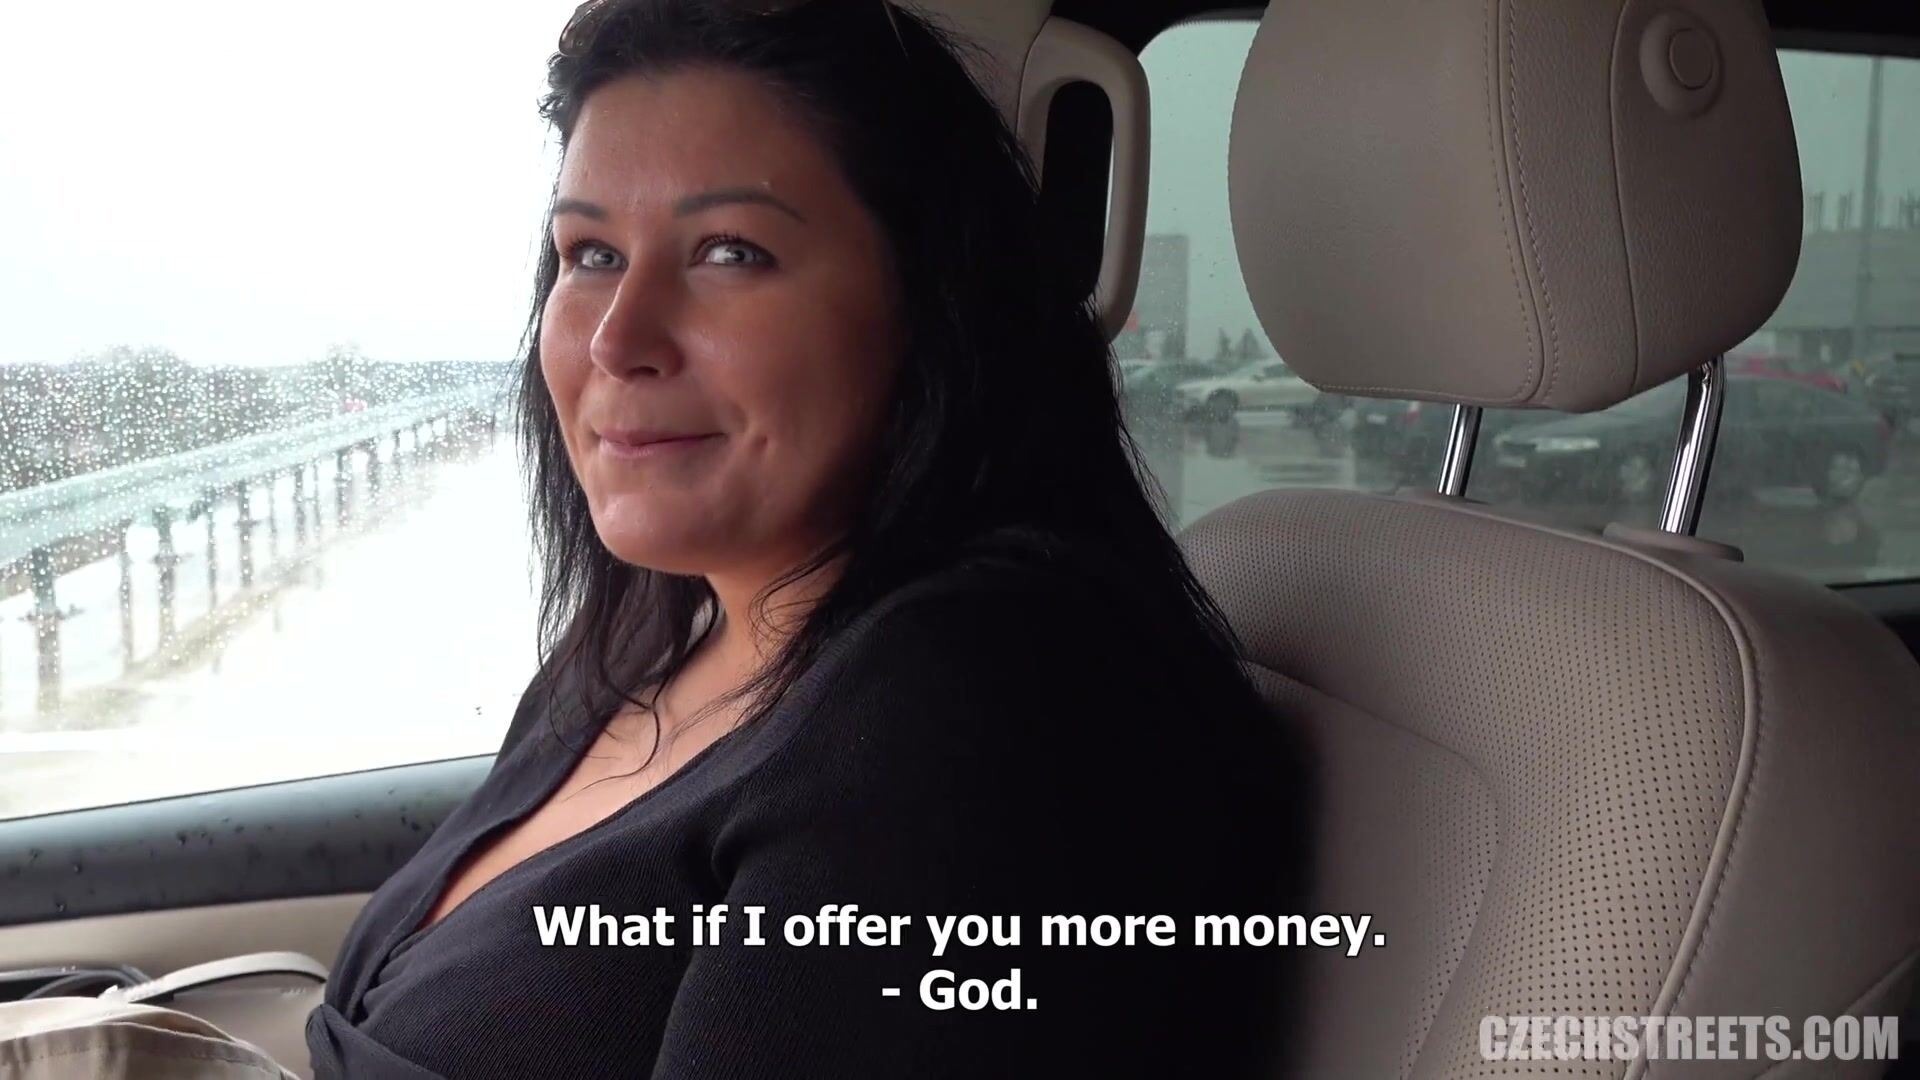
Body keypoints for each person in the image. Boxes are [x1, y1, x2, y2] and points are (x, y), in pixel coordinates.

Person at [302, 1, 1302, 1076]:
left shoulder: (963, 713)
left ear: (932, 307)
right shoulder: (656, 628)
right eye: (590, 254)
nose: (617, 338)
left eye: (730, 252)